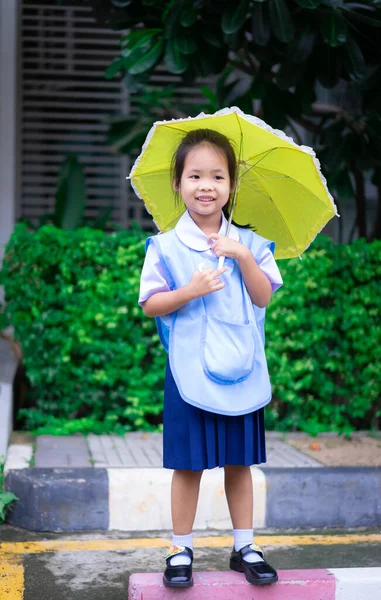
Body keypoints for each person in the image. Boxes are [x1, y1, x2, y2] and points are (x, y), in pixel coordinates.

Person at [138, 128, 283, 588]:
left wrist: (242, 255)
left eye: (217, 176)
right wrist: (190, 291)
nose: (206, 185)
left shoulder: (250, 244)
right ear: (178, 184)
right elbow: (150, 304)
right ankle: (181, 548)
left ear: (231, 186)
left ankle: (245, 545)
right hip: (188, 375)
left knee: (240, 464)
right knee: (189, 465)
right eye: (195, 175)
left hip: (241, 369)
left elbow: (263, 298)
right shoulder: (165, 246)